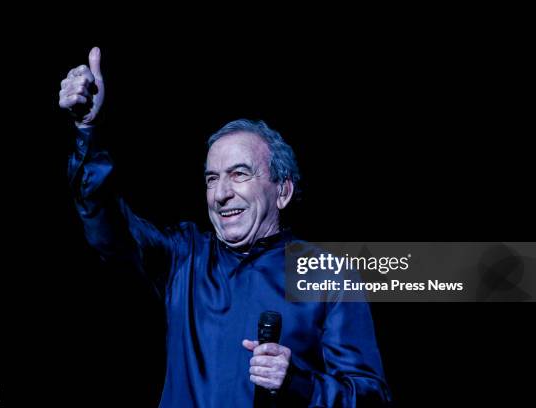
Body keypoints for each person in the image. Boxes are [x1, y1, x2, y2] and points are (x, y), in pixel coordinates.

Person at [60, 47, 392, 407]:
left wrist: (299, 384)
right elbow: (106, 223)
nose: (220, 193)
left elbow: (371, 397)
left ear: (283, 190)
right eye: (211, 178)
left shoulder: (328, 275)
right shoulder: (183, 257)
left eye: (239, 174)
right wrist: (88, 133)